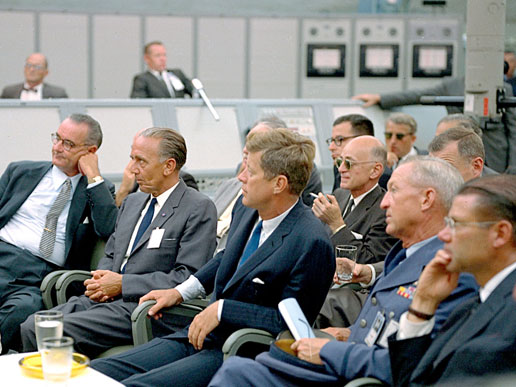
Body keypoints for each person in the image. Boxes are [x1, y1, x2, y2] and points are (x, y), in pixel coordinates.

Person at [91, 129, 335, 386]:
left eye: (250, 172)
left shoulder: (312, 242)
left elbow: (289, 322)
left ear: (279, 184)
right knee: (98, 371)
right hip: (203, 332)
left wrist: (222, 310)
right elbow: (226, 258)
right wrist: (179, 292)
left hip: (244, 351)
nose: (240, 177)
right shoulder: (246, 207)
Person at [208, 156, 479, 386]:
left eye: (393, 190)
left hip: (357, 377)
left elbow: (410, 363)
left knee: (238, 374)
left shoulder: (449, 271)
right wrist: (348, 332)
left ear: (426, 199)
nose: (384, 203)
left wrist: (331, 351)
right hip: (349, 363)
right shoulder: (406, 255)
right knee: (246, 367)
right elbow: (382, 325)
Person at [21, 127, 217, 357]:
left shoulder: (197, 208)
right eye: (132, 158)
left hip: (146, 308)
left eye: (141, 161)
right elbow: (112, 254)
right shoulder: (133, 202)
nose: (133, 169)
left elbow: (187, 277)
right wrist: (101, 281)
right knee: (31, 326)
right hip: (107, 298)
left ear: (169, 166)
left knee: (51, 332)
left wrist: (123, 284)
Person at [0, 113, 116, 352]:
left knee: (24, 311)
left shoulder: (96, 189)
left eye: (68, 144)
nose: (57, 147)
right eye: (57, 138)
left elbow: (108, 228)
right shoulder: (20, 172)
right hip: (3, 254)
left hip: (36, 276)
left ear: (90, 151)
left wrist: (93, 176)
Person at [388, 174, 516, 386]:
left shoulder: (509, 318)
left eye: (455, 224)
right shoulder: (474, 304)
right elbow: (411, 381)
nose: (443, 235)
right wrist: (423, 303)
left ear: (500, 234)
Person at [313, 136, 398, 327]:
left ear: (375, 170)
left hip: (348, 295)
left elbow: (367, 264)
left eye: (349, 163)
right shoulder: (341, 195)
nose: (341, 169)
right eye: (339, 161)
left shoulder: (384, 210)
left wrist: (337, 225)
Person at [352, 77, 516, 173]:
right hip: (458, 154)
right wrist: (381, 98)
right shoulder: (453, 85)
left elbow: (514, 130)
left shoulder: (503, 89)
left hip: (496, 159)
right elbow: (418, 95)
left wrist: (513, 166)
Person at [327, 114, 390, 191]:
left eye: (340, 139)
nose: (331, 147)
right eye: (332, 140)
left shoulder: (384, 178)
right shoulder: (339, 167)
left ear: (362, 139)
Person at [130, 41, 196, 99]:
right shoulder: (142, 79)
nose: (162, 59)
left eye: (164, 55)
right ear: (147, 58)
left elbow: (195, 92)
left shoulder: (177, 74)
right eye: (158, 55)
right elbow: (138, 102)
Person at [429, 127, 498, 181]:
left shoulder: (501, 197)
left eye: (446, 169)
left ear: (476, 166)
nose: (436, 179)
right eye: (432, 170)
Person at [1, 53, 68, 99]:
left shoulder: (57, 94)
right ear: (24, 69)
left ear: (46, 72)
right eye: (29, 65)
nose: (32, 69)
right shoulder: (9, 92)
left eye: (37, 67)